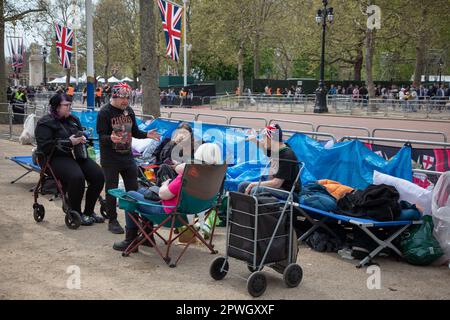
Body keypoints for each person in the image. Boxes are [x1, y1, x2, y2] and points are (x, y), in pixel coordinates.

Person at [112, 143, 222, 251]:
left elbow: (163, 195)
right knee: (142, 192)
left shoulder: (187, 177)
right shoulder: (215, 177)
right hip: (192, 215)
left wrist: (165, 185)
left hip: (169, 215)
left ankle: (130, 240)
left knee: (130, 195)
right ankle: (147, 237)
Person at [96, 82, 161, 234]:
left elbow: (135, 131)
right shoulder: (104, 112)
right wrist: (110, 138)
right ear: (114, 96)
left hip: (127, 156)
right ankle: (112, 220)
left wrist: (146, 134)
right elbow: (101, 137)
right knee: (112, 190)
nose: (125, 101)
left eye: (128, 98)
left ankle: (133, 222)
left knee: (133, 189)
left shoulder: (128, 111)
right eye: (122, 98)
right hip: (110, 158)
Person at [34, 93, 105, 226]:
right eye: (66, 105)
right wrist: (68, 142)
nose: (69, 107)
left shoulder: (73, 119)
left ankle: (89, 212)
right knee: (76, 177)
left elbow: (79, 133)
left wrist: (82, 138)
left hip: (76, 155)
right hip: (53, 157)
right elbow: (45, 146)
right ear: (56, 107)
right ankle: (75, 212)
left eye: (70, 105)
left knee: (98, 175)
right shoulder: (45, 123)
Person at [239, 124, 300, 201]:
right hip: (278, 187)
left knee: (255, 189)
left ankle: (251, 210)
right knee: (242, 185)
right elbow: (264, 148)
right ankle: (242, 209)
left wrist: (253, 184)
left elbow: (277, 183)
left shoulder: (287, 155)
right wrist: (254, 140)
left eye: (264, 138)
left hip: (287, 191)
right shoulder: (276, 148)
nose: (262, 140)